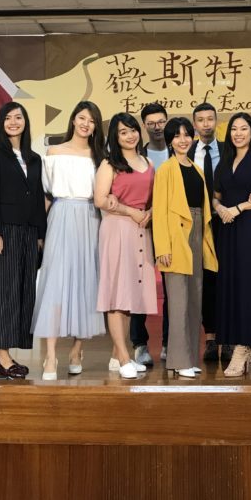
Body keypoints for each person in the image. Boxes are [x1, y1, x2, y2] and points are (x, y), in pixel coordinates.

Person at [32, 101, 106, 380]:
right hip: (60, 216)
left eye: (92, 120)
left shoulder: (100, 156)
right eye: (82, 118)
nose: (86, 124)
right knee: (55, 283)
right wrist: (41, 232)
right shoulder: (54, 152)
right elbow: (46, 195)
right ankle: (50, 355)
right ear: (73, 119)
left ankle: (77, 350)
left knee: (86, 283)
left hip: (90, 218)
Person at [0, 102, 47, 378]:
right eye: (7, 118)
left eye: (18, 117)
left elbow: (39, 197)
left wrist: (41, 235)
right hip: (4, 232)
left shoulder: (35, 158)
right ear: (1, 123)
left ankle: (2, 353)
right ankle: (3, 356)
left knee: (23, 293)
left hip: (29, 232)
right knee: (3, 293)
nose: (13, 122)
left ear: (25, 121)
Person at [152, 117, 217, 378]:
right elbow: (159, 211)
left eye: (186, 134)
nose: (183, 140)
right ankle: (178, 361)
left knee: (194, 300)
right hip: (175, 237)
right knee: (178, 302)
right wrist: (163, 248)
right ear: (170, 140)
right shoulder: (166, 170)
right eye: (177, 135)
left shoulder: (197, 169)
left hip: (196, 232)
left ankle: (189, 358)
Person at [212, 112, 251, 377]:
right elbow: (215, 196)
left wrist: (239, 208)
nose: (238, 133)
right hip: (227, 228)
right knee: (231, 284)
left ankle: (245, 345)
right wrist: (220, 208)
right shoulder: (224, 162)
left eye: (243, 129)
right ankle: (236, 341)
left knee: (249, 284)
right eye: (234, 129)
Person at [94, 113, 156, 379]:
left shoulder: (148, 161)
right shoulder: (110, 164)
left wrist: (149, 212)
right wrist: (131, 212)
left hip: (142, 230)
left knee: (130, 296)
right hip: (117, 229)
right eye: (123, 132)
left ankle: (123, 354)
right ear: (115, 137)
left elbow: (153, 198)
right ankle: (121, 358)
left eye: (133, 130)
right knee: (116, 296)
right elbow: (100, 200)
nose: (130, 136)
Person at [131, 103, 170, 367]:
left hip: (172, 227)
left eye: (161, 122)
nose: (157, 127)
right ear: (144, 125)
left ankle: (169, 342)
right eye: (151, 123)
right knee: (139, 284)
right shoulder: (137, 156)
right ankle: (139, 344)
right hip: (142, 225)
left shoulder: (179, 150)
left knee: (172, 287)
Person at [189, 102, 224, 363]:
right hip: (198, 223)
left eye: (210, 119)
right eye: (200, 120)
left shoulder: (229, 150)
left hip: (226, 221)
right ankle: (210, 338)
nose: (206, 124)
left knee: (227, 280)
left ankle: (230, 337)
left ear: (216, 121)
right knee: (206, 282)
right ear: (194, 124)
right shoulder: (186, 152)